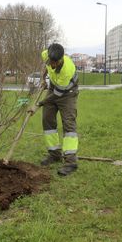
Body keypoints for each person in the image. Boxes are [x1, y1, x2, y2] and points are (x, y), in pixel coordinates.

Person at [28, 43, 79, 176]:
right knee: (47, 120)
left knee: (69, 124)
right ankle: (55, 154)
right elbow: (46, 66)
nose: (52, 65)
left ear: (61, 59)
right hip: (53, 88)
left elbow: (57, 95)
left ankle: (71, 162)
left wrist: (38, 104)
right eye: (50, 61)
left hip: (67, 92)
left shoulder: (67, 69)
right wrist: (44, 77)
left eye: (54, 63)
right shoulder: (46, 55)